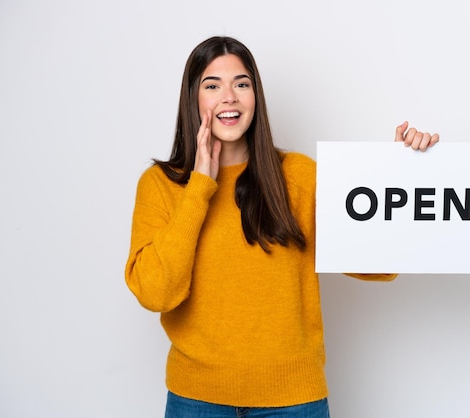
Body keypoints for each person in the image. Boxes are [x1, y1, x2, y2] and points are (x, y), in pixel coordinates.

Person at [125, 36, 439, 418]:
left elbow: (374, 264)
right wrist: (200, 188)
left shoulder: (299, 176)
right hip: (196, 402)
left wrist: (400, 177)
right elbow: (156, 294)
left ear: (255, 97)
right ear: (193, 99)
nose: (229, 97)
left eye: (242, 84)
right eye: (212, 85)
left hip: (293, 403)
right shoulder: (161, 185)